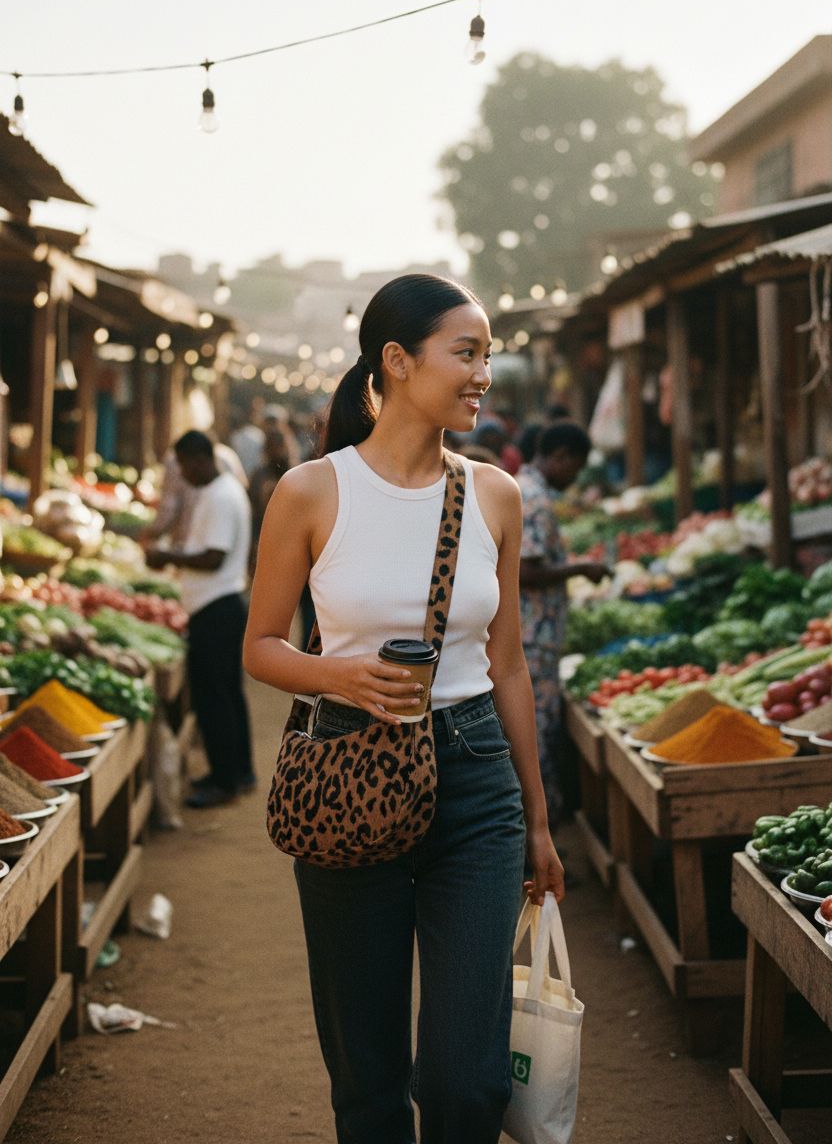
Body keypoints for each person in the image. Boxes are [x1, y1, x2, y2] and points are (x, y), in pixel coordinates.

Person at [243, 273, 564, 1144]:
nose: (483, 375)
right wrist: (339, 677)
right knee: (370, 1084)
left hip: (475, 786)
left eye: (487, 357)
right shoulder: (312, 491)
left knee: (466, 1084)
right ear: (397, 359)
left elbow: (507, 669)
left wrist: (537, 819)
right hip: (350, 773)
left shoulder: (495, 494)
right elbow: (261, 646)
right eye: (467, 353)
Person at [146, 430, 254, 808]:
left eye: (182, 466)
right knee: (227, 693)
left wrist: (167, 557)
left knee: (214, 698)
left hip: (216, 608)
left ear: (196, 459)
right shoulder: (217, 492)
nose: (181, 475)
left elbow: (213, 557)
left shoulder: (221, 497)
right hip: (218, 605)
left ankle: (224, 781)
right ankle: (238, 771)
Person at [517, 422, 611, 826]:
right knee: (537, 741)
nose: (574, 478)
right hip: (532, 637)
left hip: (532, 634)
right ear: (561, 457)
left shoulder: (524, 487)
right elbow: (524, 569)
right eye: (575, 467)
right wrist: (580, 568)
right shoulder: (534, 498)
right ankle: (541, 846)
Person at [248, 429, 297, 572]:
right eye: (270, 447)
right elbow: (254, 513)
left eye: (278, 447)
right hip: (265, 541)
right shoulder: (258, 476)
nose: (275, 451)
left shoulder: (297, 473)